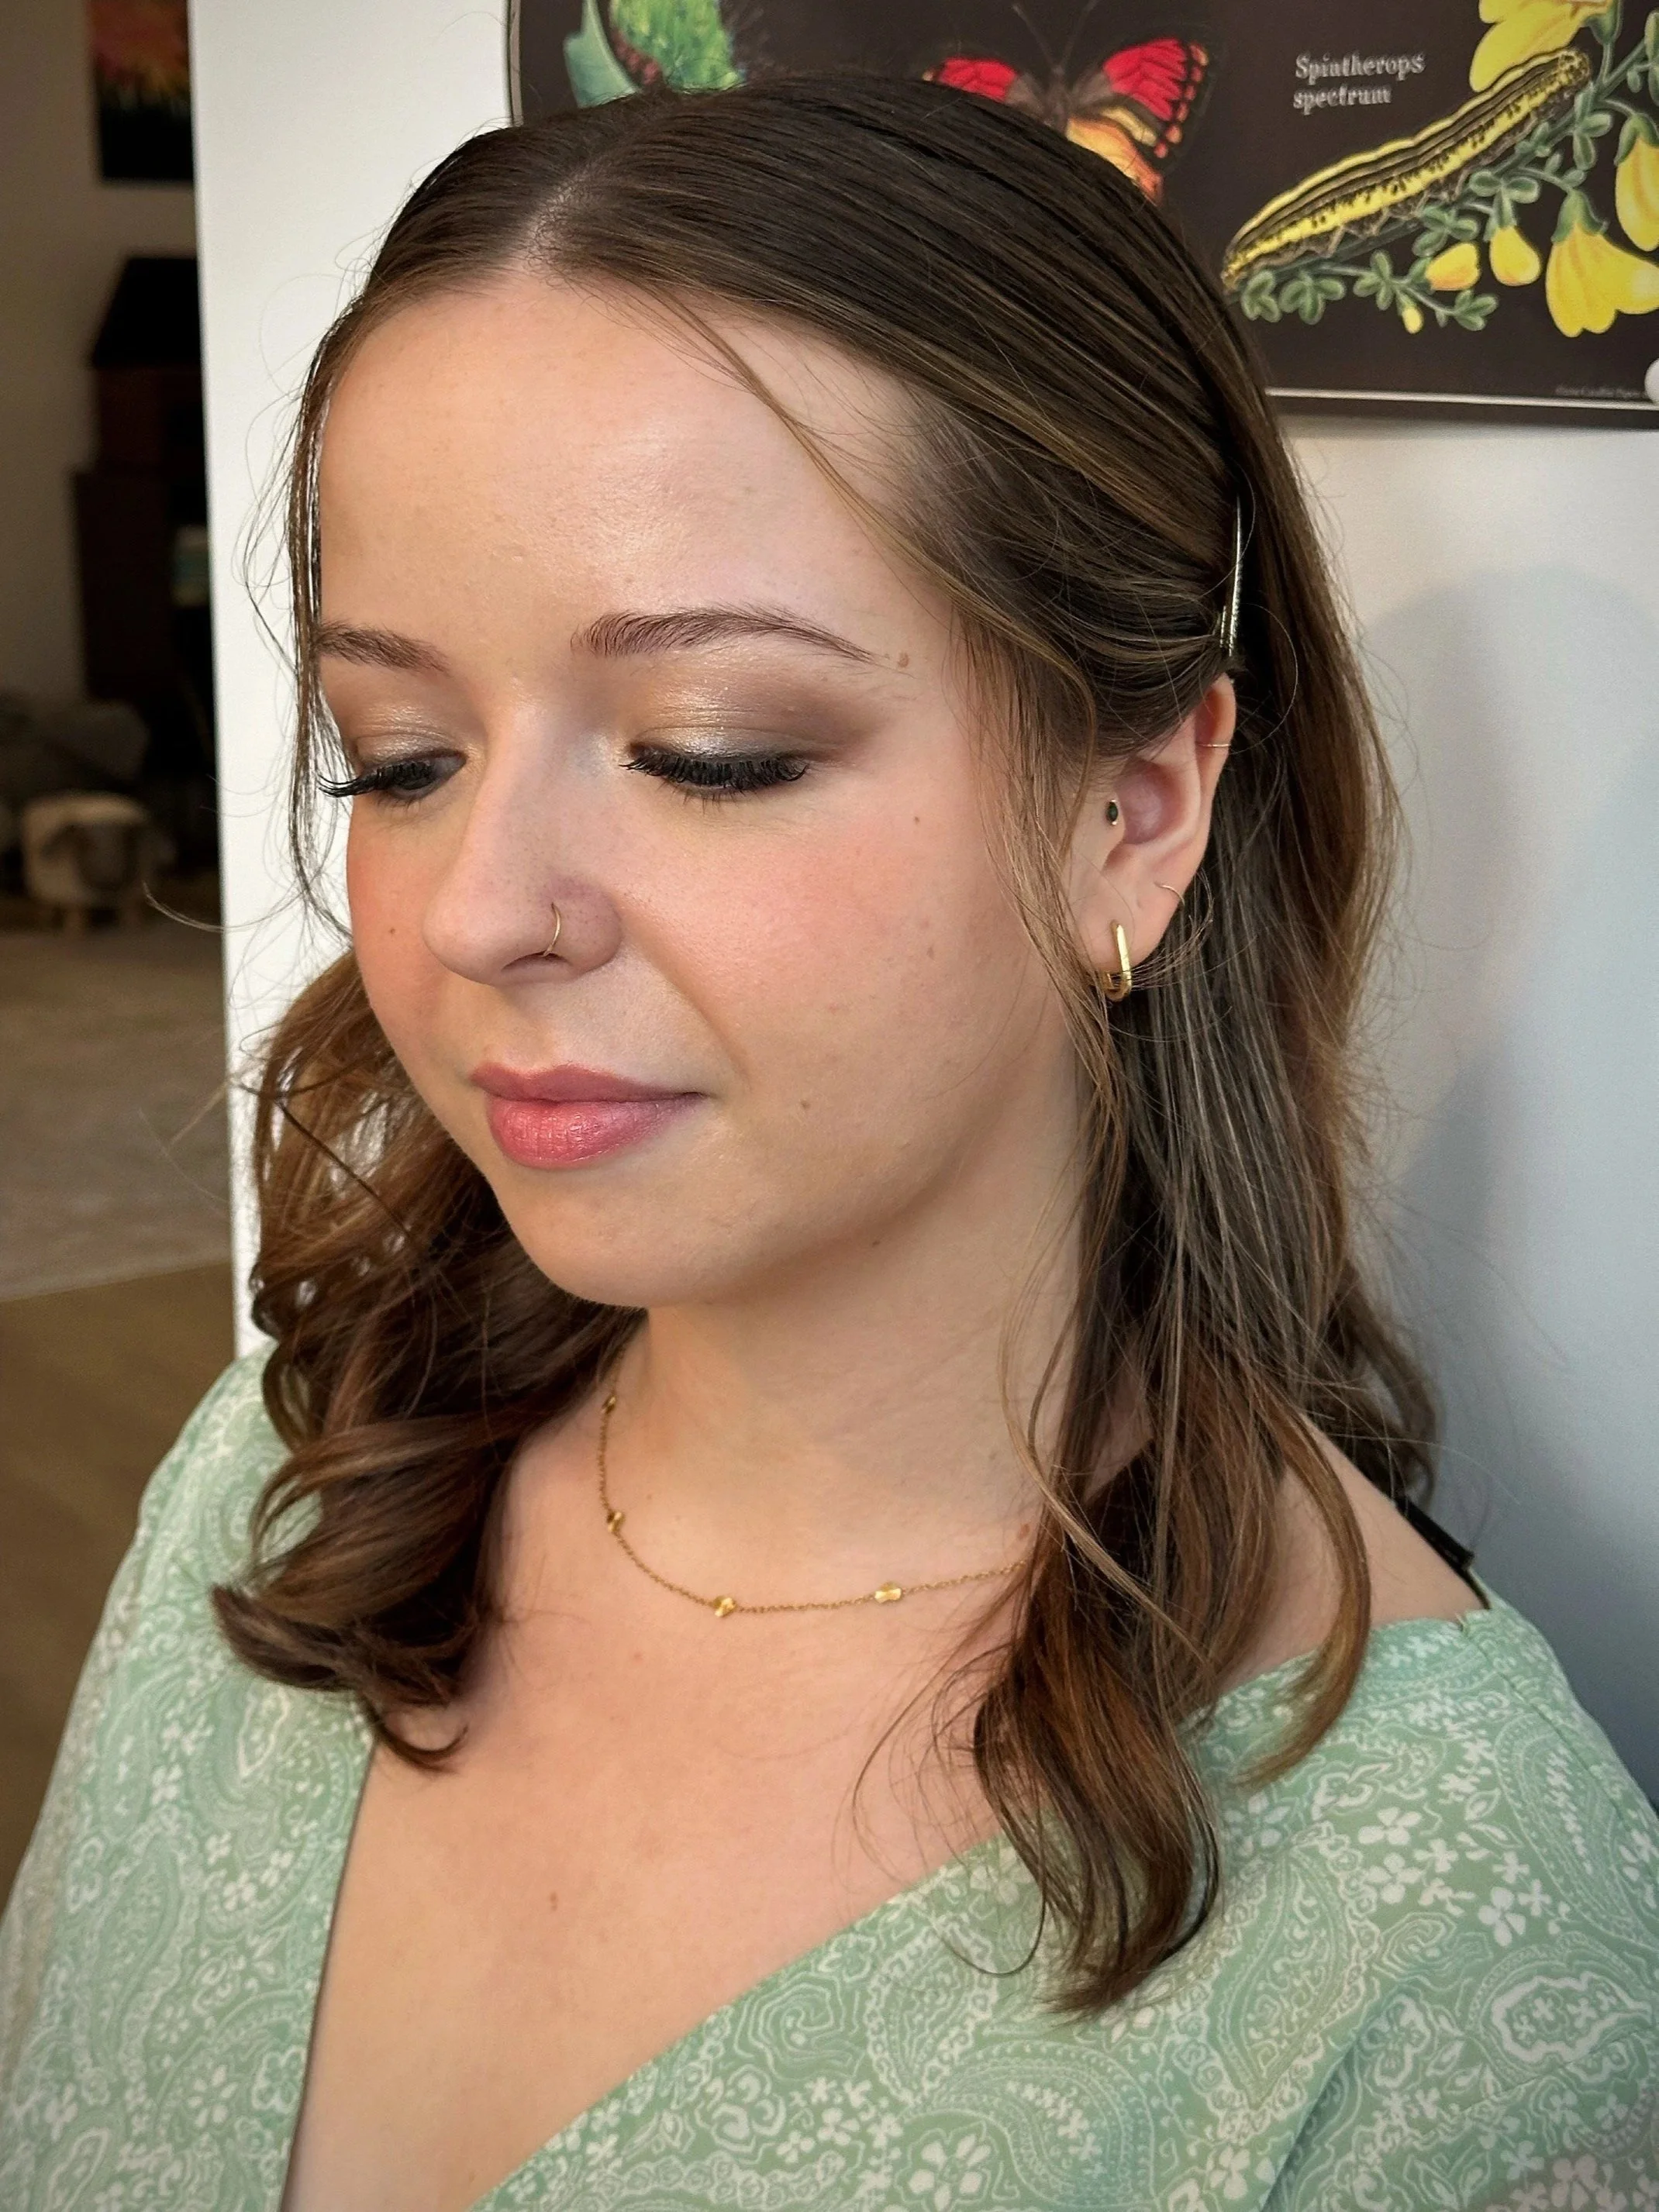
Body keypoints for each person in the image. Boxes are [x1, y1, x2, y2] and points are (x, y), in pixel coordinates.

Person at [2, 74, 1655, 2212]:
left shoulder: (1448, 1961)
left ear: (1126, 817)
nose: (482, 904)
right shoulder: (292, 1476)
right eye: (396, 754)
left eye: (714, 750)